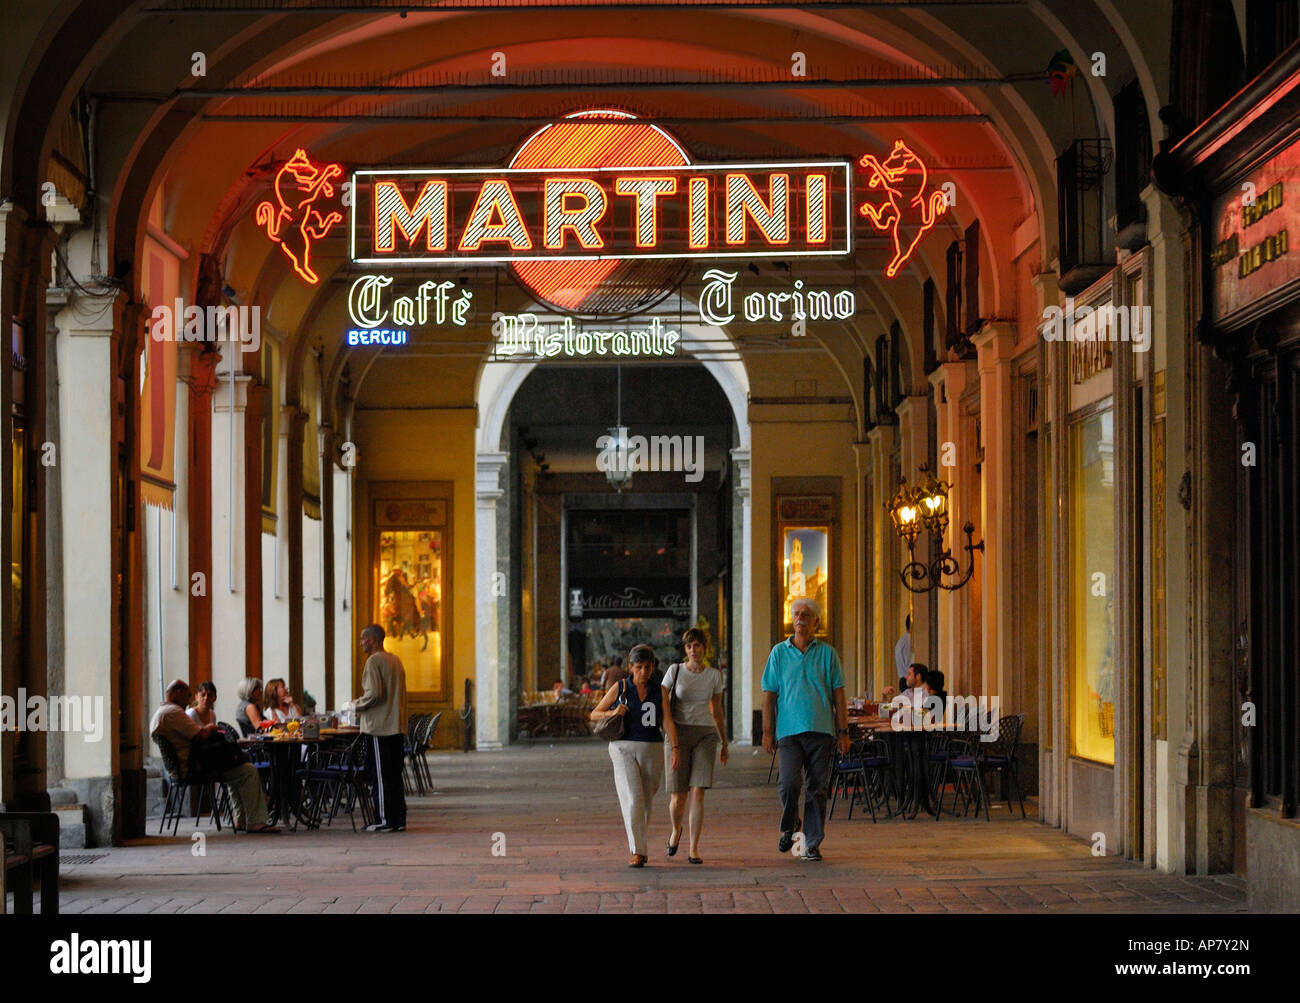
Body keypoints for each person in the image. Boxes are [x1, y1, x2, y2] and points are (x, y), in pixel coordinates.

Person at [761, 597, 849, 862]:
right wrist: (767, 731)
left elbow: (839, 695)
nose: (799, 619)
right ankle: (791, 824)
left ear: (816, 622)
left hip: (821, 731)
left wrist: (843, 732)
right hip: (788, 732)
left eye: (806, 615)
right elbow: (768, 695)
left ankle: (810, 843)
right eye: (796, 614)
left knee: (818, 788)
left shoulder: (828, 654)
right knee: (789, 783)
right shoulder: (778, 652)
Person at [150, 679, 277, 832]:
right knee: (247, 770)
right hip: (192, 766)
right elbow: (201, 735)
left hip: (185, 765)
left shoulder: (162, 712)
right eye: (189, 695)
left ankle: (241, 819)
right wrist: (211, 728)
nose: (189, 700)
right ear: (178, 693)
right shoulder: (173, 712)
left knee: (235, 763)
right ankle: (255, 821)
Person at [590, 644, 663, 867]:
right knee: (633, 797)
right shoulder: (621, 686)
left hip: (652, 747)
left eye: (647, 667)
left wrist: (676, 748)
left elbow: (666, 720)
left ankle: (638, 841)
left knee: (646, 800)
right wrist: (614, 711)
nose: (643, 672)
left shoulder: (660, 690)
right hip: (622, 747)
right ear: (630, 667)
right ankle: (638, 851)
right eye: (639, 667)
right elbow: (594, 713)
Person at [661, 627, 727, 865]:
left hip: (705, 735)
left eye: (697, 645)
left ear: (704, 648)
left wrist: (724, 742)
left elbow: (717, 710)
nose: (693, 650)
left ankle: (694, 848)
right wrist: (670, 733)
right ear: (685, 649)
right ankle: (675, 829)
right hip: (677, 734)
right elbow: (663, 702)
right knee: (678, 797)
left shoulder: (714, 676)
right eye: (689, 646)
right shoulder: (674, 671)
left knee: (698, 792)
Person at [349, 624, 408, 833]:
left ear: (372, 640)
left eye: (363, 639)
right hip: (397, 726)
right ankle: (398, 819)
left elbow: (374, 694)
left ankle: (384, 819)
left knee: (380, 777)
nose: (361, 643)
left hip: (379, 728)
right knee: (394, 775)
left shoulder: (374, 661)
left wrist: (354, 705)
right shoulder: (395, 660)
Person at [894, 614, 912, 681]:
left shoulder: (901, 641)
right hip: (911, 683)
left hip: (904, 681)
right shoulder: (910, 641)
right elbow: (911, 665)